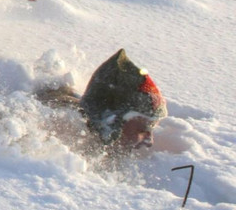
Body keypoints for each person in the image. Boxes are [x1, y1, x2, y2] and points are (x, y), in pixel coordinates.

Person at [36, 48, 168, 151]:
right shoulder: (65, 126)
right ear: (116, 118)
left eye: (151, 128)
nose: (149, 141)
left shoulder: (94, 128)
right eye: (143, 129)